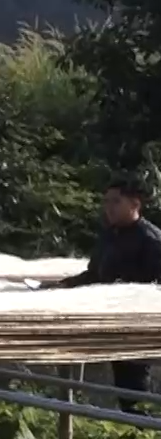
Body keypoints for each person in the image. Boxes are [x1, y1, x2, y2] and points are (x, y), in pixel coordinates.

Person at [46, 176, 161, 413]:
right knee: (123, 379)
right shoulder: (110, 235)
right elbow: (95, 273)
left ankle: (144, 432)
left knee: (135, 377)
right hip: (115, 318)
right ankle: (136, 429)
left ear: (134, 204)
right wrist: (66, 285)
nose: (109, 208)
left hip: (139, 320)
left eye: (116, 202)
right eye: (107, 202)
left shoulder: (150, 240)